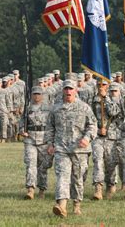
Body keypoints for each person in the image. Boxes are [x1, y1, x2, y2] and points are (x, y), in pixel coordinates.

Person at [46, 80, 97, 218]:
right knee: (62, 176)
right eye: (66, 89)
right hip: (61, 149)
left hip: (79, 150)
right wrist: (50, 144)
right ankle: (61, 205)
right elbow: (50, 128)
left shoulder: (84, 108)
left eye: (71, 89)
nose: (68, 91)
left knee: (78, 179)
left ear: (76, 91)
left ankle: (76, 204)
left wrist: (87, 138)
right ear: (63, 90)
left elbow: (92, 125)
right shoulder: (55, 109)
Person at [19, 86, 53, 200]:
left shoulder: (49, 108)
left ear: (42, 95)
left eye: (39, 94)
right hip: (31, 140)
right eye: (35, 94)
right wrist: (21, 131)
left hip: (44, 140)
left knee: (43, 167)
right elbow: (22, 122)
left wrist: (51, 142)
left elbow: (53, 125)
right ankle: (30, 189)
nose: (37, 96)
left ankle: (42, 189)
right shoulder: (27, 108)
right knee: (31, 165)